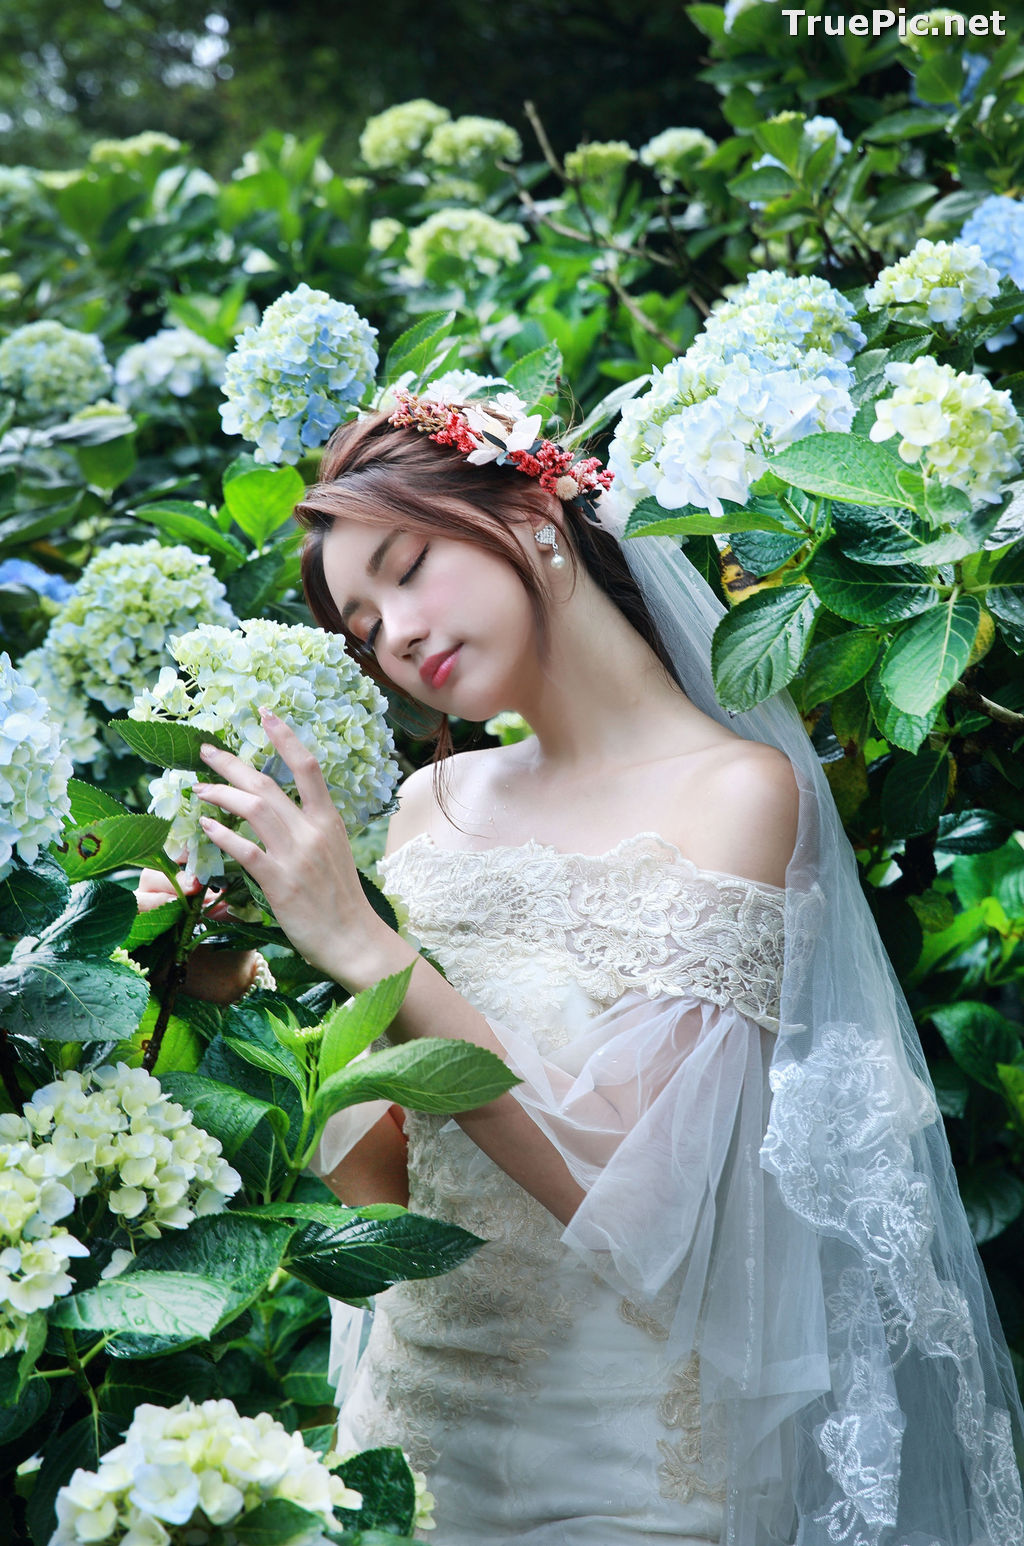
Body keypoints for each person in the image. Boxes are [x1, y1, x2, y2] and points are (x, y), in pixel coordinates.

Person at [138, 393, 1024, 1546]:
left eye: (408, 567)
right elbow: (388, 1192)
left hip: (628, 1474)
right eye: (362, 628)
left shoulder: (735, 794)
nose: (394, 635)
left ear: (535, 506)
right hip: (412, 1440)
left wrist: (365, 945)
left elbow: (641, 1203)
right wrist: (260, 988)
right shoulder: (429, 808)